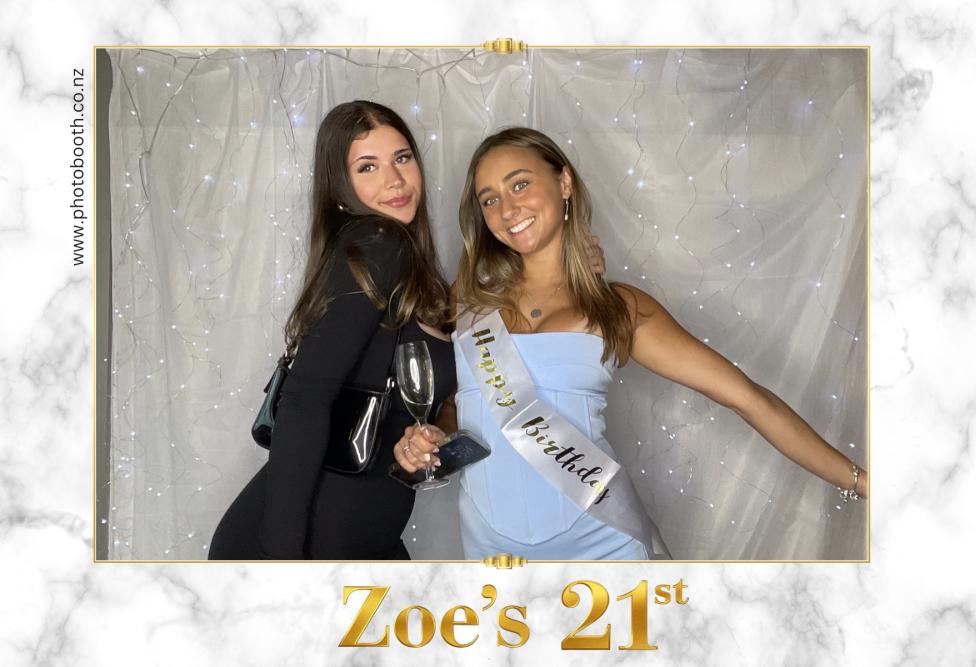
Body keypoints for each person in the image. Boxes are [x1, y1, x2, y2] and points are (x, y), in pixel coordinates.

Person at [395, 127, 868, 560]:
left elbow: (748, 398)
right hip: (493, 552)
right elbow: (458, 403)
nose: (507, 210)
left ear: (564, 182)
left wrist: (861, 482)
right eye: (489, 199)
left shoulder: (618, 309)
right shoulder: (467, 301)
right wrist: (434, 435)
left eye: (520, 184)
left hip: (602, 544)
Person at [209, 101, 455, 559]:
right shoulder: (378, 245)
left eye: (402, 158)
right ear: (340, 188)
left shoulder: (411, 271)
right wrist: (282, 561)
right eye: (368, 167)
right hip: (303, 544)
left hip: (364, 537)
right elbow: (304, 399)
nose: (394, 180)